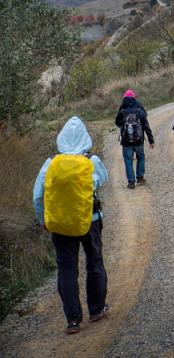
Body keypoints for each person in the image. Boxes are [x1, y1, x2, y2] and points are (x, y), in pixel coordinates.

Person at [32, 116, 110, 334]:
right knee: (94, 262)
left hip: (60, 224)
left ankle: (73, 320)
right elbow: (103, 179)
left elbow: (38, 196)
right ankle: (96, 309)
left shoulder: (50, 164)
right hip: (90, 221)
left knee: (67, 268)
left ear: (61, 139)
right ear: (85, 138)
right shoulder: (91, 161)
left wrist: (44, 220)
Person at [114, 89, 154, 189]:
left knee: (128, 160)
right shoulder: (139, 111)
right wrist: (151, 140)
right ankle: (140, 177)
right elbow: (146, 126)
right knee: (141, 157)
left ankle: (131, 182)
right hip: (139, 141)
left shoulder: (122, 111)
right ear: (134, 99)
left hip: (126, 141)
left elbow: (117, 123)